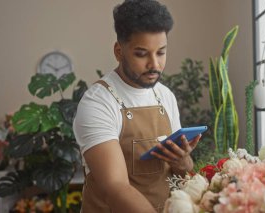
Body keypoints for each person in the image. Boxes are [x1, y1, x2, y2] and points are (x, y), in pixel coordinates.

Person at [73, 0, 201, 212]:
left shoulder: (165, 96)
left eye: (161, 52)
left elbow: (179, 175)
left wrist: (183, 162)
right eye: (141, 54)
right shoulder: (97, 102)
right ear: (118, 51)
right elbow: (116, 187)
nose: (154, 65)